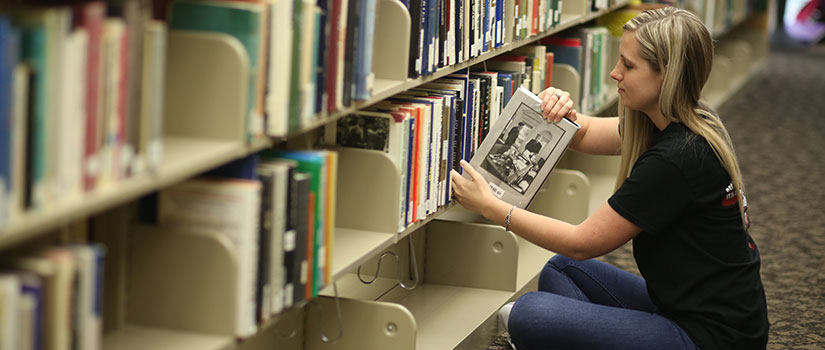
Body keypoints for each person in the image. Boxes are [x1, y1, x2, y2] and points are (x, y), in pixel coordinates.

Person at [450, 7, 768, 350]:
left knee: (531, 314)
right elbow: (584, 133)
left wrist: (492, 207)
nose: (615, 73)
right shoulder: (687, 118)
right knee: (562, 270)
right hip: (679, 308)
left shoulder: (677, 159)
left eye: (629, 66)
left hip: (709, 339)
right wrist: (560, 111)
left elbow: (581, 242)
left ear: (667, 75)